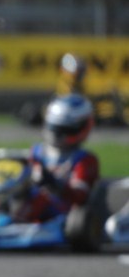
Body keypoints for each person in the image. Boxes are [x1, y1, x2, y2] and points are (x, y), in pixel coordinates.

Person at [20, 94, 99, 223]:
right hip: (29, 204)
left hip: (62, 215)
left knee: (40, 200)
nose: (55, 135)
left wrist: (54, 184)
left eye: (62, 130)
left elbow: (79, 196)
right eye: (53, 128)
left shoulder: (84, 160)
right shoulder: (36, 152)